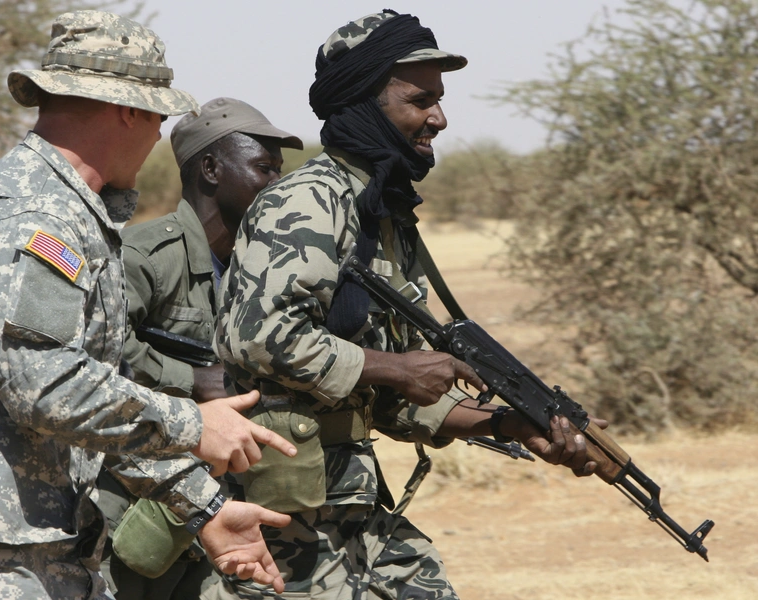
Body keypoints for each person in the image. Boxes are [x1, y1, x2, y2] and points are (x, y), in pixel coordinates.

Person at [0, 11, 296, 599]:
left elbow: (91, 400)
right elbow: (42, 384)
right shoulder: (32, 213)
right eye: (159, 116)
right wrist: (193, 423)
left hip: (38, 555)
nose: (158, 136)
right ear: (129, 110)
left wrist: (204, 508)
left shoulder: (70, 213)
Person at [211, 10, 606, 599]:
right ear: (366, 102)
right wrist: (399, 368)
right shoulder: (308, 202)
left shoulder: (381, 213)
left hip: (349, 497)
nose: (439, 118)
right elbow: (258, 335)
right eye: (421, 100)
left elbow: (398, 394)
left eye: (439, 100)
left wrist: (513, 424)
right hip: (279, 510)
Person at [98, 97, 303, 599]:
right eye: (263, 168)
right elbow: (97, 353)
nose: (278, 184)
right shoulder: (144, 256)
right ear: (211, 169)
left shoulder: (264, 270)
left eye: (280, 170)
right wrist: (192, 380)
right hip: (137, 495)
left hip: (225, 502)